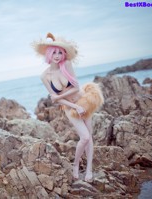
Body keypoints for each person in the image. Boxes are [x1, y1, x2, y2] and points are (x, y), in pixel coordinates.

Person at [33, 33, 104, 182]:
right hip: (69, 107)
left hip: (84, 100)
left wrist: (58, 97)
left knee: (89, 137)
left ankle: (89, 169)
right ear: (49, 54)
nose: (57, 56)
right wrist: (73, 106)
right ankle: (76, 164)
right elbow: (58, 102)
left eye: (60, 52)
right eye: (54, 52)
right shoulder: (44, 76)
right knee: (84, 137)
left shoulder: (66, 65)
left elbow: (76, 88)